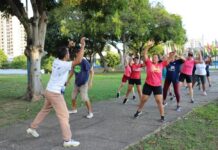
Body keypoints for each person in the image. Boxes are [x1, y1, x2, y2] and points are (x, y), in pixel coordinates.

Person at [26, 37, 86, 148]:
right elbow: (78, 61)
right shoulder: (64, 64)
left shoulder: (56, 60)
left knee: (45, 110)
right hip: (55, 94)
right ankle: (67, 140)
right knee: (64, 116)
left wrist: (69, 46)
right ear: (65, 55)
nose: (69, 54)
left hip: (49, 91)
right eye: (68, 53)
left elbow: (62, 54)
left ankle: (32, 128)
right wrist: (82, 46)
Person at [134, 40, 175, 122]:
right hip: (148, 85)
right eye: (153, 57)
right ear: (152, 58)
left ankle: (162, 117)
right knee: (143, 100)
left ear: (158, 59)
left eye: (156, 57)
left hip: (157, 86)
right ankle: (139, 111)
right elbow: (145, 54)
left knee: (159, 101)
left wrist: (174, 51)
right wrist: (148, 46)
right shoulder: (149, 63)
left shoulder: (161, 64)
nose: (154, 58)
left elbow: (170, 58)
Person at [67, 48, 94, 119]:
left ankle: (90, 113)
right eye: (79, 53)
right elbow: (72, 71)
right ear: (76, 54)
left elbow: (91, 71)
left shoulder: (84, 61)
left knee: (85, 98)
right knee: (73, 97)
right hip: (77, 83)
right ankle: (74, 109)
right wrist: (68, 79)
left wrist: (90, 81)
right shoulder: (75, 62)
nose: (80, 54)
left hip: (84, 84)